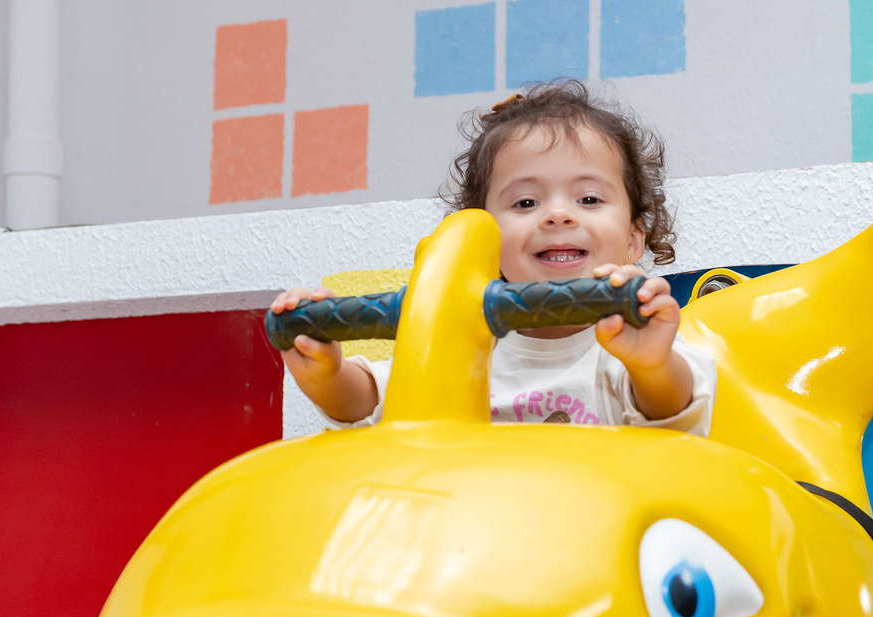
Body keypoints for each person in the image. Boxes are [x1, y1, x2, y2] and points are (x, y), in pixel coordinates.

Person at [270, 80, 716, 434]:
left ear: (635, 238)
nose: (557, 215)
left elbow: (675, 415)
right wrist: (327, 376)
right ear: (486, 238)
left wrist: (650, 366)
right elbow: (374, 402)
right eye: (525, 203)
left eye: (589, 199)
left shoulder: (641, 342)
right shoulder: (462, 337)